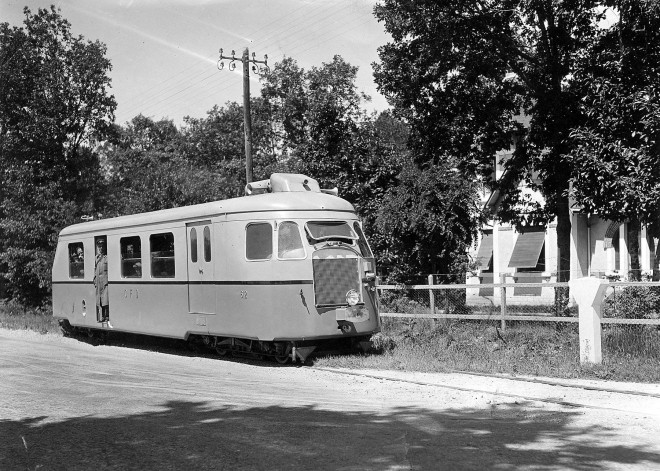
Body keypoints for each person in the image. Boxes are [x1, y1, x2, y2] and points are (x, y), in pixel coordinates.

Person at [93, 238, 109, 323]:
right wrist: (94, 280)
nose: (101, 248)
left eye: (102, 246)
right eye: (99, 246)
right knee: (99, 299)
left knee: (106, 299)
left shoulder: (107, 257)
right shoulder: (96, 258)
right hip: (99, 282)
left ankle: (107, 316)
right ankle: (102, 316)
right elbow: (95, 269)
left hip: (105, 282)